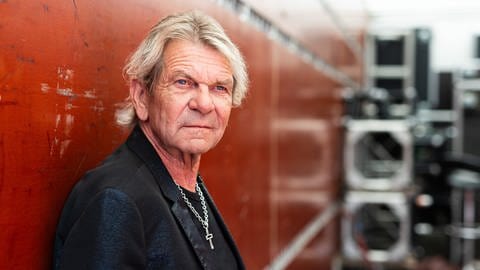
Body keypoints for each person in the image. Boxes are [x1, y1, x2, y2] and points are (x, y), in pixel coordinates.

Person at [53, 10, 248, 270]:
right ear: (142, 96)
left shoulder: (186, 184)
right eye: (183, 82)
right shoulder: (115, 201)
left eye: (219, 88)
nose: (203, 103)